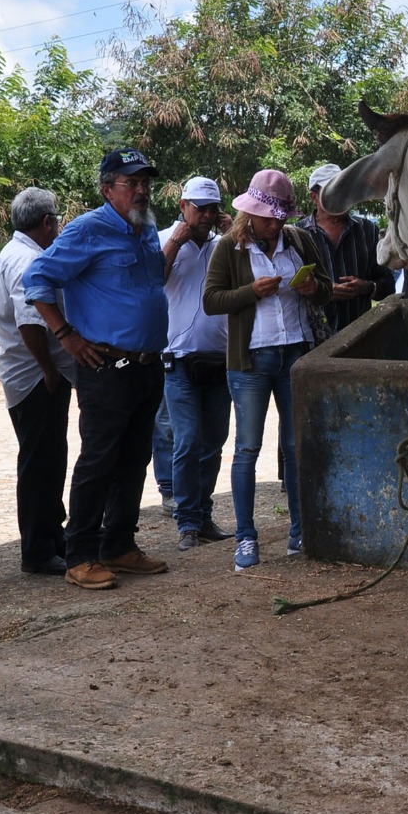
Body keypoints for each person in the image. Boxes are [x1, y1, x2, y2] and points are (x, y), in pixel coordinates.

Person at [23, 149, 172, 591]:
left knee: (134, 459)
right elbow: (37, 281)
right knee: (99, 461)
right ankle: (81, 554)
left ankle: (119, 545)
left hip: (146, 366)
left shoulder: (146, 230)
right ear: (108, 189)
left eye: (146, 181)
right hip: (104, 366)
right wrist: (66, 334)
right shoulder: (88, 229)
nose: (142, 189)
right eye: (132, 182)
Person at [203, 169, 331, 572]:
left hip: (295, 353)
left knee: (295, 449)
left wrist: (314, 288)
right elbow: (211, 301)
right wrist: (250, 293)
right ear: (250, 214)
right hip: (251, 360)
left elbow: (325, 287)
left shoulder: (299, 240)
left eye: (279, 218)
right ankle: (246, 538)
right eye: (267, 217)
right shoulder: (230, 247)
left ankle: (298, 532)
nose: (274, 224)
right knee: (247, 449)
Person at [0, 187, 75, 576]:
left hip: (28, 374)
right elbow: (30, 322)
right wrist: (49, 369)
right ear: (46, 222)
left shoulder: (14, 253)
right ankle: (38, 550)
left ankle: (52, 538)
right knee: (41, 463)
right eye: (56, 218)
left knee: (48, 460)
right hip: (33, 376)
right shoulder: (26, 259)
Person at [160, 176, 236, 551]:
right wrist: (178, 238)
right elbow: (151, 280)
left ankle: (202, 517)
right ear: (182, 207)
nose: (204, 216)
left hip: (221, 362)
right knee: (187, 441)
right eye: (198, 208)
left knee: (214, 444)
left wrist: (234, 228)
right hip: (180, 362)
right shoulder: (164, 241)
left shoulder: (226, 245)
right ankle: (187, 521)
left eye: (211, 209)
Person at [299, 163, 391, 334]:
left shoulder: (368, 230)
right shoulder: (298, 235)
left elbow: (388, 285)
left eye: (345, 191)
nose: (342, 198)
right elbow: (288, 292)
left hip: (359, 337)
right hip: (313, 340)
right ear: (314, 197)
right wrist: (323, 291)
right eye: (333, 193)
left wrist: (368, 287)